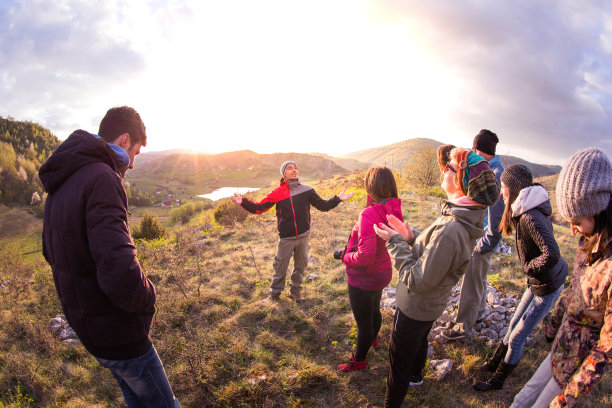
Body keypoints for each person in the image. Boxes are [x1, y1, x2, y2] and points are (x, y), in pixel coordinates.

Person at [39, 106, 180, 408]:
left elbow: (49, 251)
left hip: (90, 327)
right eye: (136, 153)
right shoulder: (103, 177)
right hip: (119, 332)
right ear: (125, 139)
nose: (131, 163)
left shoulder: (62, 179)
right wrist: (148, 299)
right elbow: (119, 271)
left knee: (137, 399)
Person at [370, 147, 500, 408]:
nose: (444, 169)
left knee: (400, 356)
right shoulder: (461, 216)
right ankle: (417, 377)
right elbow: (436, 254)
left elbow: (417, 280)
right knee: (419, 340)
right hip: (431, 304)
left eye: (450, 167)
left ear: (463, 183)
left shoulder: (452, 228)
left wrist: (395, 242)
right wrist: (411, 236)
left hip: (416, 304)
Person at [510, 147, 611, 408]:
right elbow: (576, 287)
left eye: (576, 220)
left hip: (576, 366)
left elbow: (607, 349)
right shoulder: (588, 241)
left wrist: (566, 398)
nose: (572, 228)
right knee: (520, 400)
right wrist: (553, 322)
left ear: (598, 210)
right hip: (559, 349)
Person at [474, 164, 567, 392]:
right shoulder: (522, 207)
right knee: (512, 326)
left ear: (513, 188)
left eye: (503, 186)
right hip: (536, 282)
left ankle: (497, 381)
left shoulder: (530, 216)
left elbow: (552, 253)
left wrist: (529, 268)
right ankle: (495, 362)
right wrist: (531, 272)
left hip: (547, 287)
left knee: (517, 337)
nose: (501, 191)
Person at [231, 161, 352, 303]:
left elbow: (323, 206)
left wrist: (338, 199)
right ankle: (274, 295)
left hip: (303, 236)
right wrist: (242, 201)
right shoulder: (277, 193)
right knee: (280, 266)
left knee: (300, 266)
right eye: (290, 168)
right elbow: (259, 208)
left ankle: (295, 292)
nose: (294, 170)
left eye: (295, 168)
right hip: (286, 238)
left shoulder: (307, 190)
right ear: (284, 173)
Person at [337, 167, 403, 372]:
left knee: (363, 323)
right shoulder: (393, 206)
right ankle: (374, 339)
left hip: (363, 277)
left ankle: (359, 360)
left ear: (371, 186)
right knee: (374, 309)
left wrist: (344, 256)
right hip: (382, 273)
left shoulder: (369, 213)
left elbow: (364, 256)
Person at [442, 129, 505, 340]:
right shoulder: (491, 169)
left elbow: (496, 218)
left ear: (479, 149)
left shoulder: (492, 174)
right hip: (481, 236)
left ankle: (463, 327)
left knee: (471, 281)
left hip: (483, 239)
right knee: (479, 279)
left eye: (474, 150)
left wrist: (485, 244)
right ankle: (477, 314)